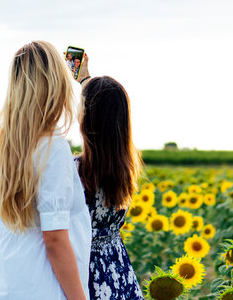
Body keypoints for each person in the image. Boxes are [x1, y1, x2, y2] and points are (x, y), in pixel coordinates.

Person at [0, 40, 92, 300]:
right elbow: (55, 239)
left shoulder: (4, 141)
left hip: (5, 275)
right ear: (55, 85)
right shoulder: (53, 147)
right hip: (42, 282)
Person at [75, 57, 145, 300]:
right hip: (118, 273)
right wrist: (85, 79)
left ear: (85, 120)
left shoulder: (74, 172)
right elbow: (105, 106)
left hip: (82, 274)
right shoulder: (125, 168)